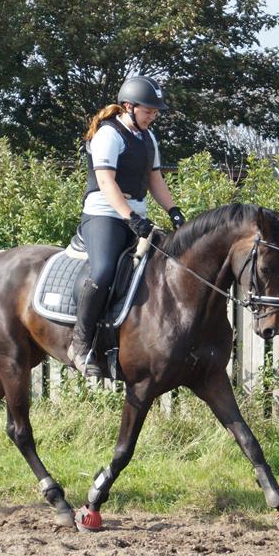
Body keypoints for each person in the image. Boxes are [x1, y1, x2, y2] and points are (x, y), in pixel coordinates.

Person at [69, 76, 186, 376]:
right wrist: (130, 217)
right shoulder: (109, 135)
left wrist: (173, 210)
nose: (153, 115)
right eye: (148, 110)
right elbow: (106, 181)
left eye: (156, 111)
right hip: (104, 214)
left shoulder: (148, 138)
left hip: (137, 216)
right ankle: (80, 344)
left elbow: (154, 180)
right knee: (104, 271)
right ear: (128, 106)